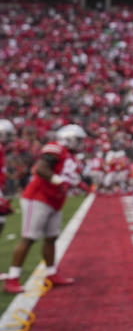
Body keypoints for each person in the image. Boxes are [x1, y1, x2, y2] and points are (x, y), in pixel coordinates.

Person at [4, 123, 83, 293]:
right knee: (29, 238)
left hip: (54, 201)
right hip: (38, 198)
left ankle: (51, 273)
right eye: (78, 140)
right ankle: (12, 279)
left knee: (51, 237)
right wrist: (58, 181)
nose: (80, 143)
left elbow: (69, 177)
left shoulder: (70, 156)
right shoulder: (56, 148)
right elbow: (40, 169)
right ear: (68, 138)